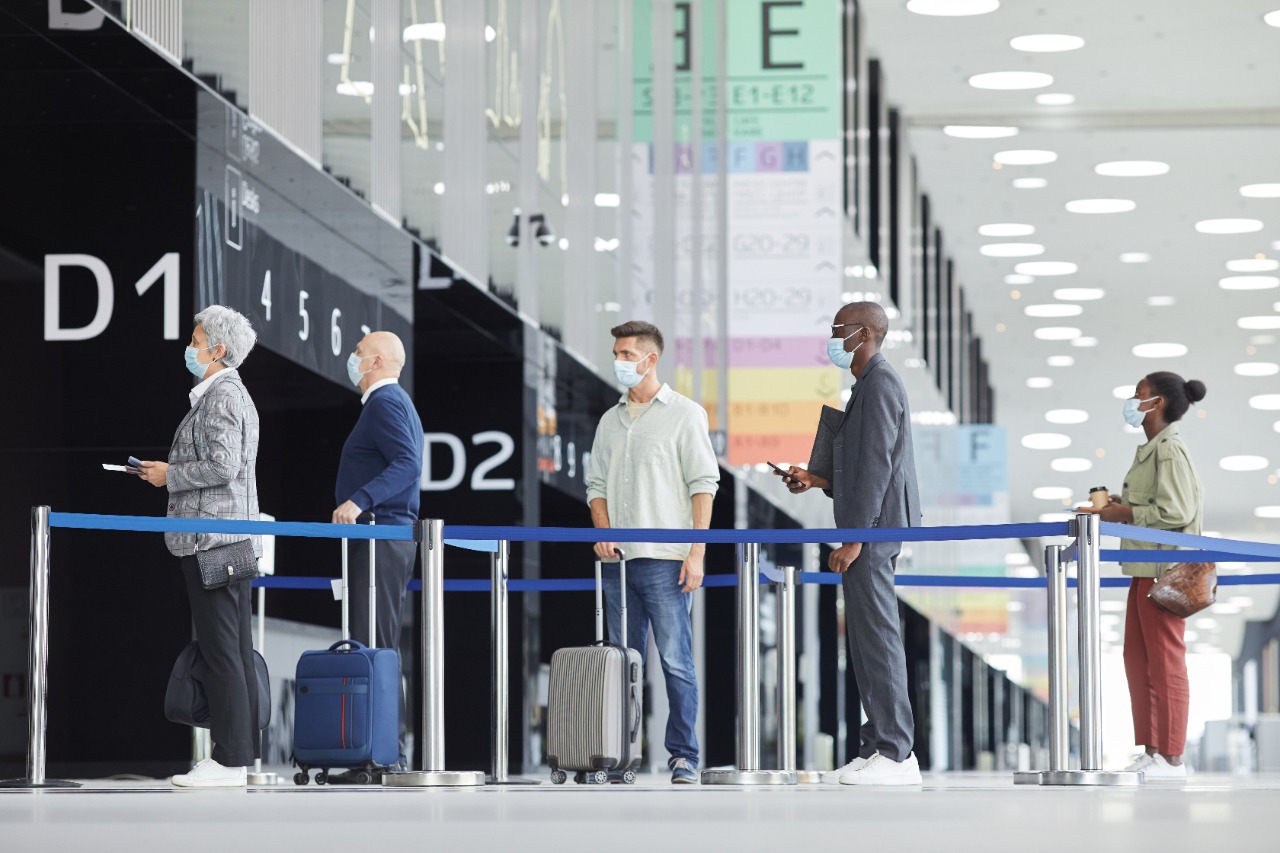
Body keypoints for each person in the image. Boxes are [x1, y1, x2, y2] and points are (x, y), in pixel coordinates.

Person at [776, 302, 923, 786]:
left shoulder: (880, 384)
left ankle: (896, 753)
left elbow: (879, 465)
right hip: (872, 527)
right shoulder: (867, 387)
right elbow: (861, 467)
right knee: (864, 639)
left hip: (874, 532)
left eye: (838, 328)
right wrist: (816, 478)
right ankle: (877, 745)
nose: (832, 336)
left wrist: (855, 538)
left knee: (878, 637)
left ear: (862, 334)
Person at [586, 320, 719, 784]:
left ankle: (683, 755)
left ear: (650, 358)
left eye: (627, 353)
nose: (619, 361)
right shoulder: (610, 420)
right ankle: (622, 755)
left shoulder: (685, 414)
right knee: (621, 663)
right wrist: (602, 533)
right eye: (617, 353)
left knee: (675, 662)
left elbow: (704, 485)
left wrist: (696, 553)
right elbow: (596, 486)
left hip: (666, 559)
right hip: (616, 562)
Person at [137, 305, 261, 788]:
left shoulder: (222, 396)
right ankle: (239, 756)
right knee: (232, 649)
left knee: (222, 650)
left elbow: (223, 468)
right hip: (224, 538)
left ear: (218, 350)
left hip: (212, 539)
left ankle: (229, 761)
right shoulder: (221, 395)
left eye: (195, 340)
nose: (189, 348)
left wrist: (170, 476)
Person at [1080, 372, 1206, 781]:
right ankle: (1153, 750)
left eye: (1140, 396)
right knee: (1138, 660)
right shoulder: (1153, 449)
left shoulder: (1170, 449)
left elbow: (1177, 511)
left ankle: (1171, 758)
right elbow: (1156, 502)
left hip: (1166, 571)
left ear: (1160, 404)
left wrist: (1125, 513)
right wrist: (1122, 504)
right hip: (1144, 568)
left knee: (1165, 662)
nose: (1133, 402)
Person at [330, 331, 424, 780]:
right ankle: (382, 750)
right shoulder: (393, 403)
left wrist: (358, 499)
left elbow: (407, 463)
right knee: (376, 641)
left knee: (375, 643)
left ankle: (385, 754)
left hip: (379, 534)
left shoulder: (386, 402)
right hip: (382, 536)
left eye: (357, 353)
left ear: (377, 361)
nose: (352, 359)